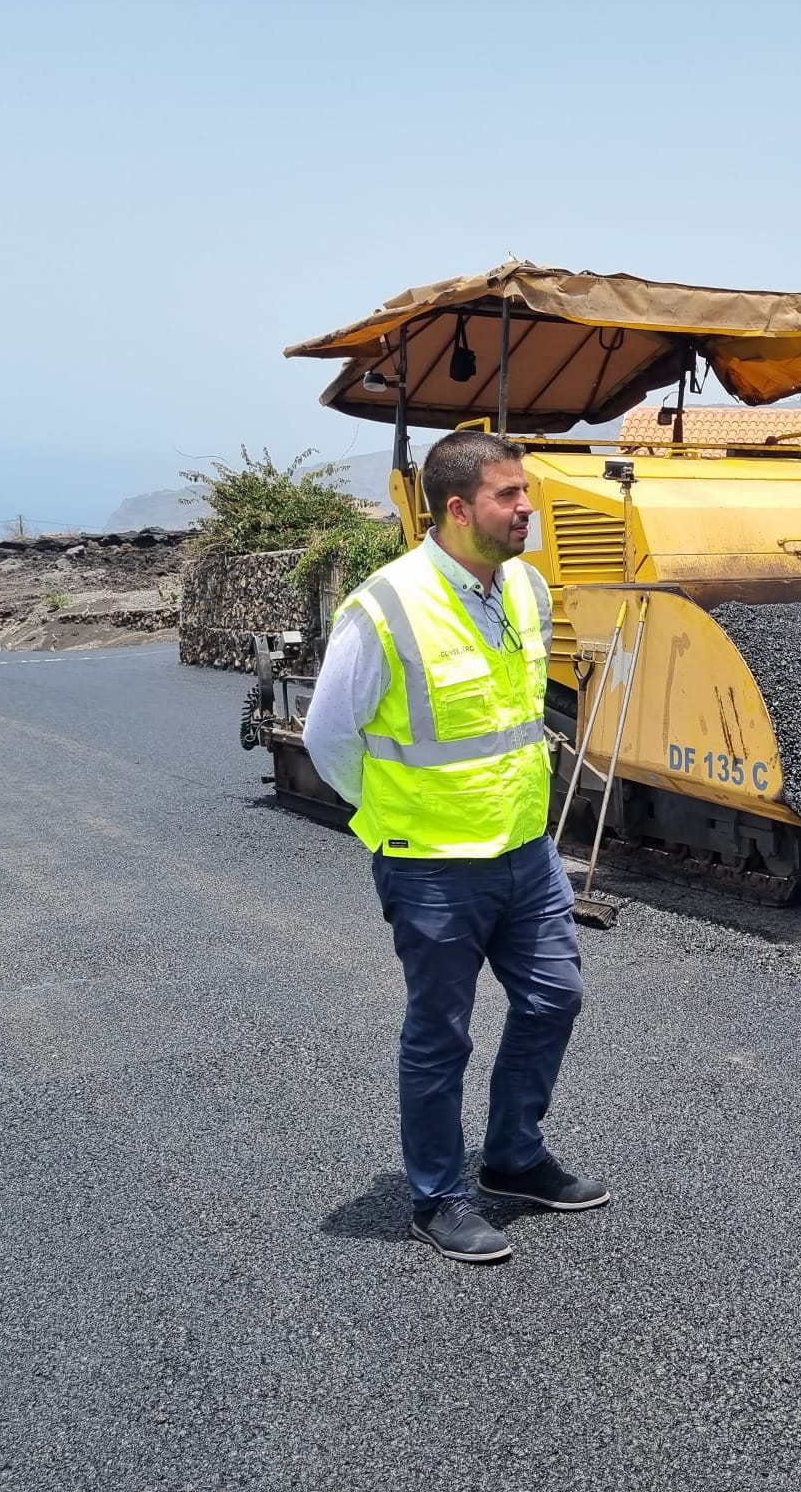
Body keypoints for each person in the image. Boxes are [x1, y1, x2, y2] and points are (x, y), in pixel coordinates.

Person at [302, 431, 606, 1265]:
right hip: (433, 863)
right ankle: (437, 1196)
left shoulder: (529, 591)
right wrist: (399, 814)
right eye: (511, 496)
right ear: (460, 508)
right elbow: (329, 738)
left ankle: (513, 1156)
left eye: (527, 495)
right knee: (442, 1033)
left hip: (524, 851)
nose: (528, 510)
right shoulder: (386, 605)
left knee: (554, 999)